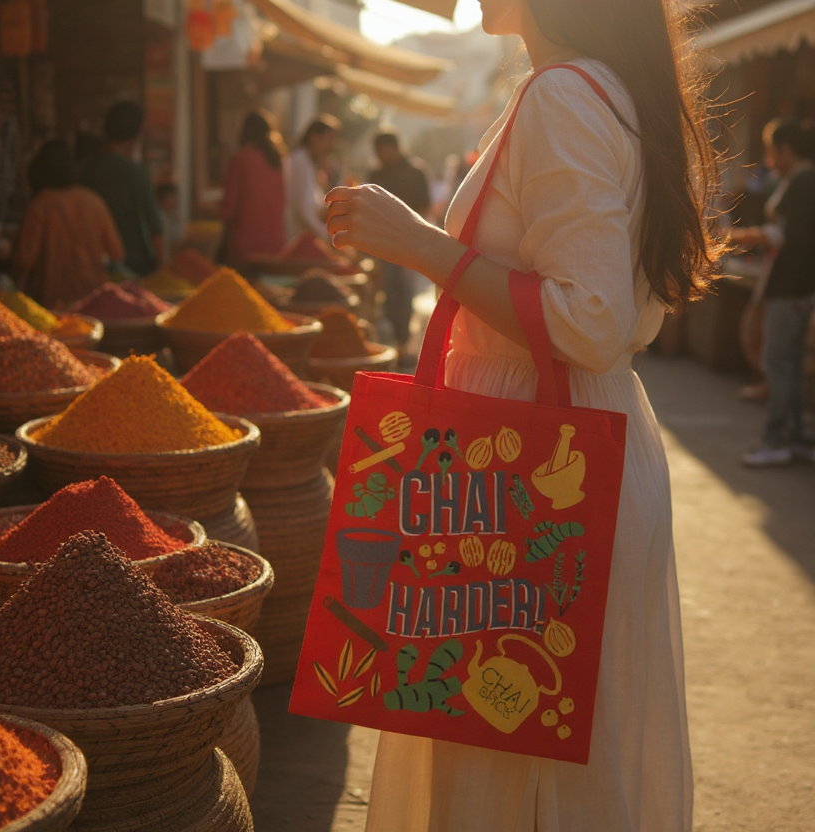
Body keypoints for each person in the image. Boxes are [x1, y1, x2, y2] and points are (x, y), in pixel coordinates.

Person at [324, 0, 723, 829]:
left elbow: (589, 319)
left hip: (527, 461)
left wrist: (417, 244)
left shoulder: (562, 97)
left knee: (504, 754)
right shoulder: (605, 90)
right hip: (572, 443)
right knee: (555, 750)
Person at [730, 119, 815, 466]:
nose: (768, 157)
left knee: (777, 363)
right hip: (795, 288)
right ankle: (793, 435)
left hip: (791, 287)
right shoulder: (799, 180)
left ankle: (776, 437)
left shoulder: (803, 181)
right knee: (788, 364)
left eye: (770, 149)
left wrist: (744, 237)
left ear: (785, 149)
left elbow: (790, 237)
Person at [11, 139, 124, 308]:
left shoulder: (40, 205)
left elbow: (25, 260)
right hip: (94, 303)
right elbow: (117, 253)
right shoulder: (93, 201)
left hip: (51, 306)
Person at [81, 101, 163, 276]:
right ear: (139, 132)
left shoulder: (85, 169)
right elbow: (155, 229)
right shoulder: (135, 173)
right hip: (134, 264)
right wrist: (162, 272)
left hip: (91, 263)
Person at [369, 130, 431, 363]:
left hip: (410, 243)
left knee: (405, 292)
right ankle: (399, 342)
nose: (381, 155)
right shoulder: (376, 174)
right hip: (384, 244)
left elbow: (425, 207)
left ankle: (404, 343)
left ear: (393, 148)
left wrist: (418, 239)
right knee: (391, 293)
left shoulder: (415, 172)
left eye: (383, 150)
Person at [221, 110, 287, 267]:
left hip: (245, 244)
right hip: (274, 242)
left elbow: (228, 208)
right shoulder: (277, 160)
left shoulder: (240, 158)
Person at [286, 114, 340, 240]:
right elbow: (303, 209)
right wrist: (325, 236)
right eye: (329, 139)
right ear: (314, 136)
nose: (331, 145)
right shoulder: (300, 160)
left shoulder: (311, 163)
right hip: (297, 236)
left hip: (307, 234)